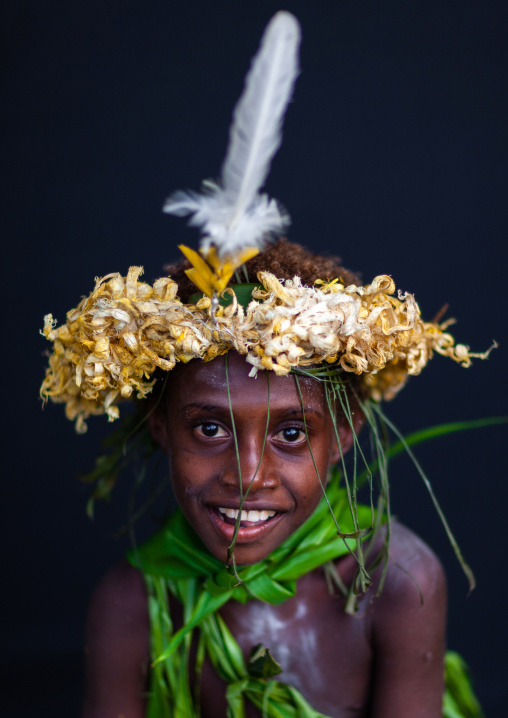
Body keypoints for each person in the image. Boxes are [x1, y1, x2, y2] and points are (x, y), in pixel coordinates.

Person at [39, 12, 487, 718]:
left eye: (290, 434)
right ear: (159, 426)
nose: (249, 474)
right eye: (210, 429)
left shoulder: (397, 583)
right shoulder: (132, 603)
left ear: (343, 436)